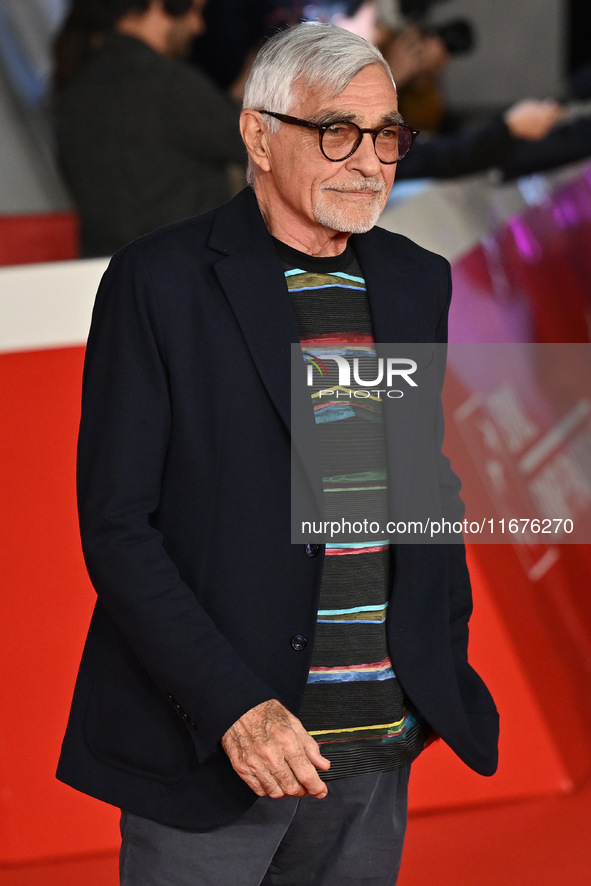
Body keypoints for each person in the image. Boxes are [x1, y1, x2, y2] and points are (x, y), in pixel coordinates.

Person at [57, 22, 498, 885]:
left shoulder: (415, 280)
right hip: (216, 748)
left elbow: (421, 480)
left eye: (386, 136)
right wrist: (235, 709)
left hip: (373, 742)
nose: (367, 160)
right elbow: (117, 527)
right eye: (336, 131)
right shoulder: (159, 282)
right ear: (259, 136)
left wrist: (434, 648)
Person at [53, 0, 245, 257]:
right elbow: (257, 143)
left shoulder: (73, 91)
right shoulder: (168, 84)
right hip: (185, 270)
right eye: (194, 11)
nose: (198, 26)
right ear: (163, 5)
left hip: (109, 275)